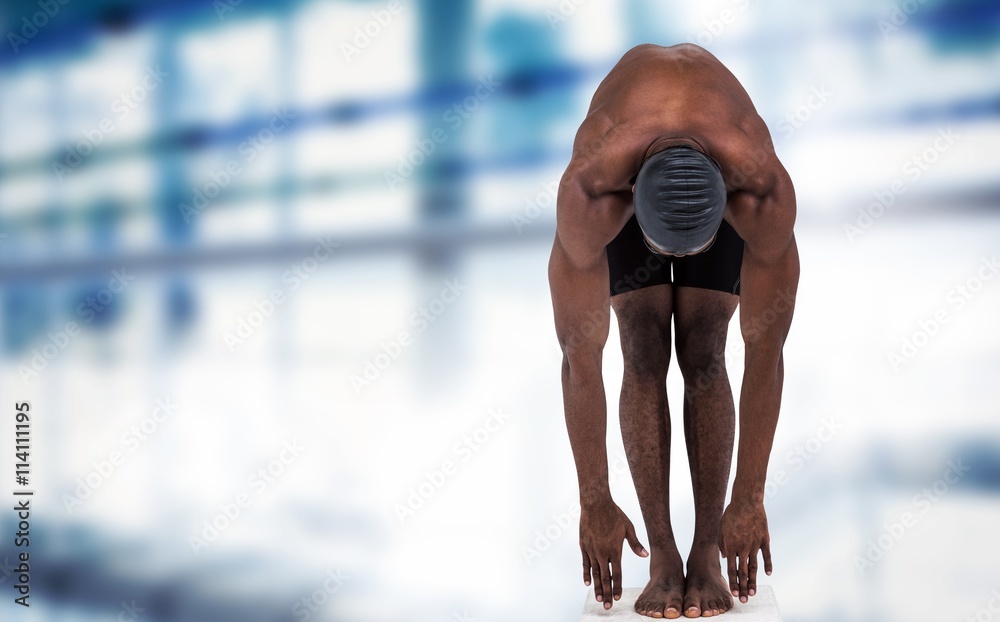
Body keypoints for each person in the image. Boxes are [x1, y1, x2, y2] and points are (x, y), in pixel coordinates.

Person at [548, 43, 799, 618]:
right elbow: (578, 354)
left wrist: (750, 497)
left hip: (716, 158)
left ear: (728, 206)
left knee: (705, 345)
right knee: (641, 344)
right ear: (627, 205)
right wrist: (594, 499)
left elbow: (766, 348)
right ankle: (663, 555)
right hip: (632, 164)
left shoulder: (760, 187)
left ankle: (705, 552)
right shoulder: (591, 191)